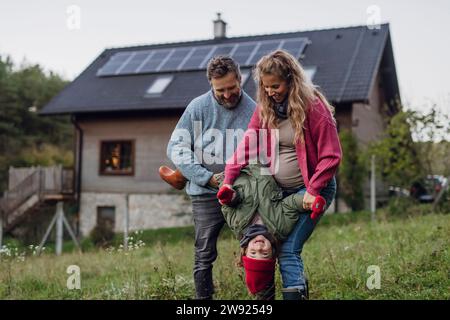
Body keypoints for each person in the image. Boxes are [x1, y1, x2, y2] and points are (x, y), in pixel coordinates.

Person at [219, 50, 342, 300]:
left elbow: (332, 156)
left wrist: (312, 189)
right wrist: (228, 181)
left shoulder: (313, 107)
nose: (271, 91)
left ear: (291, 80)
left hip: (312, 191)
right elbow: (247, 145)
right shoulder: (267, 108)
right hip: (279, 195)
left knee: (288, 250)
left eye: (276, 85)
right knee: (269, 248)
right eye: (266, 87)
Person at [165, 56, 256, 300]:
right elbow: (176, 147)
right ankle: (203, 302)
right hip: (205, 193)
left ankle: (261, 299)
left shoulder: (255, 111)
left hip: (243, 193)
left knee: (258, 245)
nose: (227, 95)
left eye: (232, 88)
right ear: (211, 85)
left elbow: (264, 154)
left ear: (240, 79)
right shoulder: (197, 107)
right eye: (220, 90)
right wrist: (207, 178)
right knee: (204, 253)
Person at [217, 163, 327, 300]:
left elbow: (228, 208)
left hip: (236, 173)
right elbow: (290, 204)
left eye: (253, 252)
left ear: (245, 250)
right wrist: (308, 203)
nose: (259, 246)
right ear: (272, 251)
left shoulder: (238, 226)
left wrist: (230, 198)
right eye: (264, 253)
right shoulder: (280, 227)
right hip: (263, 167)